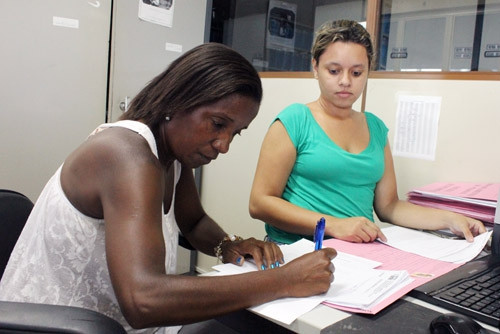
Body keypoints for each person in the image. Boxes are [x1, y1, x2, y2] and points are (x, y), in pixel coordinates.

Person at [0, 43, 336, 333]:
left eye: (235, 133)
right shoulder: (125, 156)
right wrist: (283, 280)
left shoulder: (169, 155)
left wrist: (230, 245)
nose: (223, 145)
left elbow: (192, 224)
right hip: (59, 329)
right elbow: (143, 299)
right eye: (218, 124)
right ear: (178, 101)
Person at [249, 20, 486, 245]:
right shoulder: (294, 120)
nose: (345, 81)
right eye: (334, 71)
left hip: (358, 254)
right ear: (315, 67)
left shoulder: (375, 128)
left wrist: (448, 219)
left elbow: (390, 206)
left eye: (356, 73)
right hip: (296, 250)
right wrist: (332, 225)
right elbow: (260, 203)